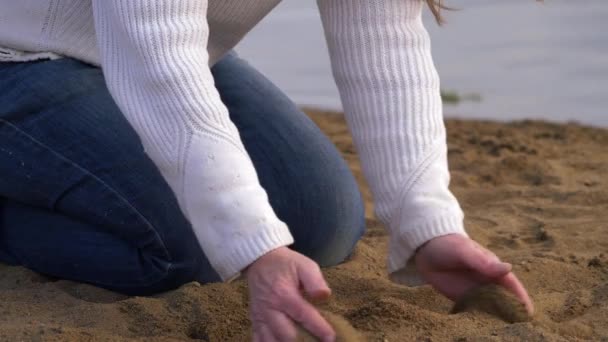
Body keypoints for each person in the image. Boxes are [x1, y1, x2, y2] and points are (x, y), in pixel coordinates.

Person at [0, 0, 533, 341]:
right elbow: (157, 61)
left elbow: (385, 46)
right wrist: (255, 250)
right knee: (184, 251)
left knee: (319, 224)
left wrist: (429, 226)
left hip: (175, 48)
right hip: (20, 55)